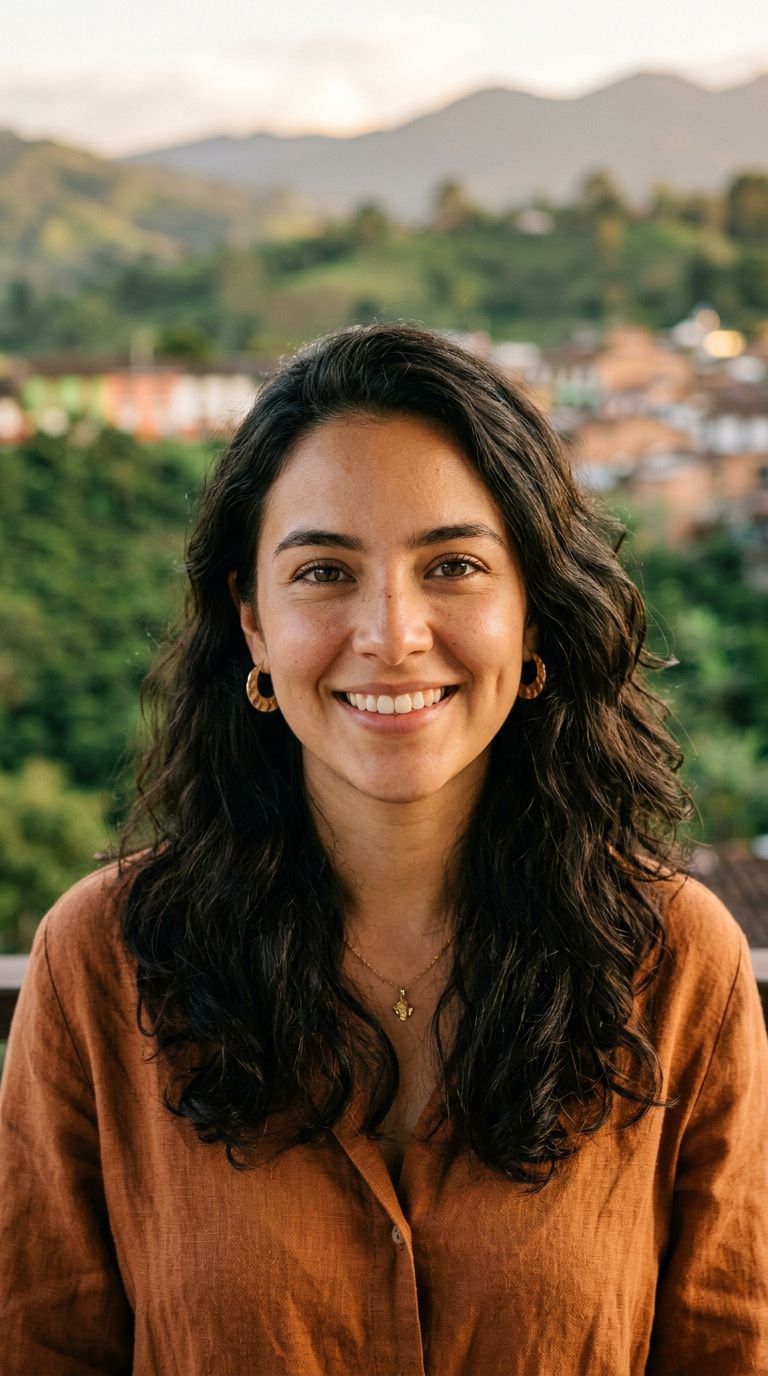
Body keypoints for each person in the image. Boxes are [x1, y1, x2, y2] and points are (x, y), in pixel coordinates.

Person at [0, 323, 766, 1375]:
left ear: (533, 610)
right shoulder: (101, 963)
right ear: (253, 622)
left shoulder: (677, 967)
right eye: (324, 570)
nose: (392, 631)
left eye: (452, 563)